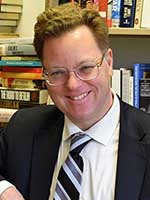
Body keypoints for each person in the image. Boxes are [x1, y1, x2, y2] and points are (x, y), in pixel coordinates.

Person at [0, 2, 150, 200]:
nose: (73, 85)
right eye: (57, 72)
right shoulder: (24, 128)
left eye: (85, 68)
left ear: (109, 62)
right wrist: (4, 189)